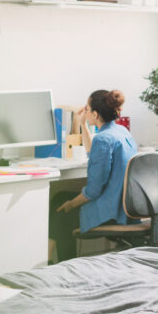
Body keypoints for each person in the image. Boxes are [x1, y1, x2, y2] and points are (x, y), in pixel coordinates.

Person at [49, 89, 138, 262]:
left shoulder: (103, 139)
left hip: (113, 210)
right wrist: (83, 125)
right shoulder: (122, 132)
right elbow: (93, 152)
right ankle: (49, 260)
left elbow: (94, 191)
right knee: (60, 198)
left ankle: (61, 266)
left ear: (96, 115)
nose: (85, 111)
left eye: (87, 109)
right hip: (127, 206)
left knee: (62, 212)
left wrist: (71, 205)